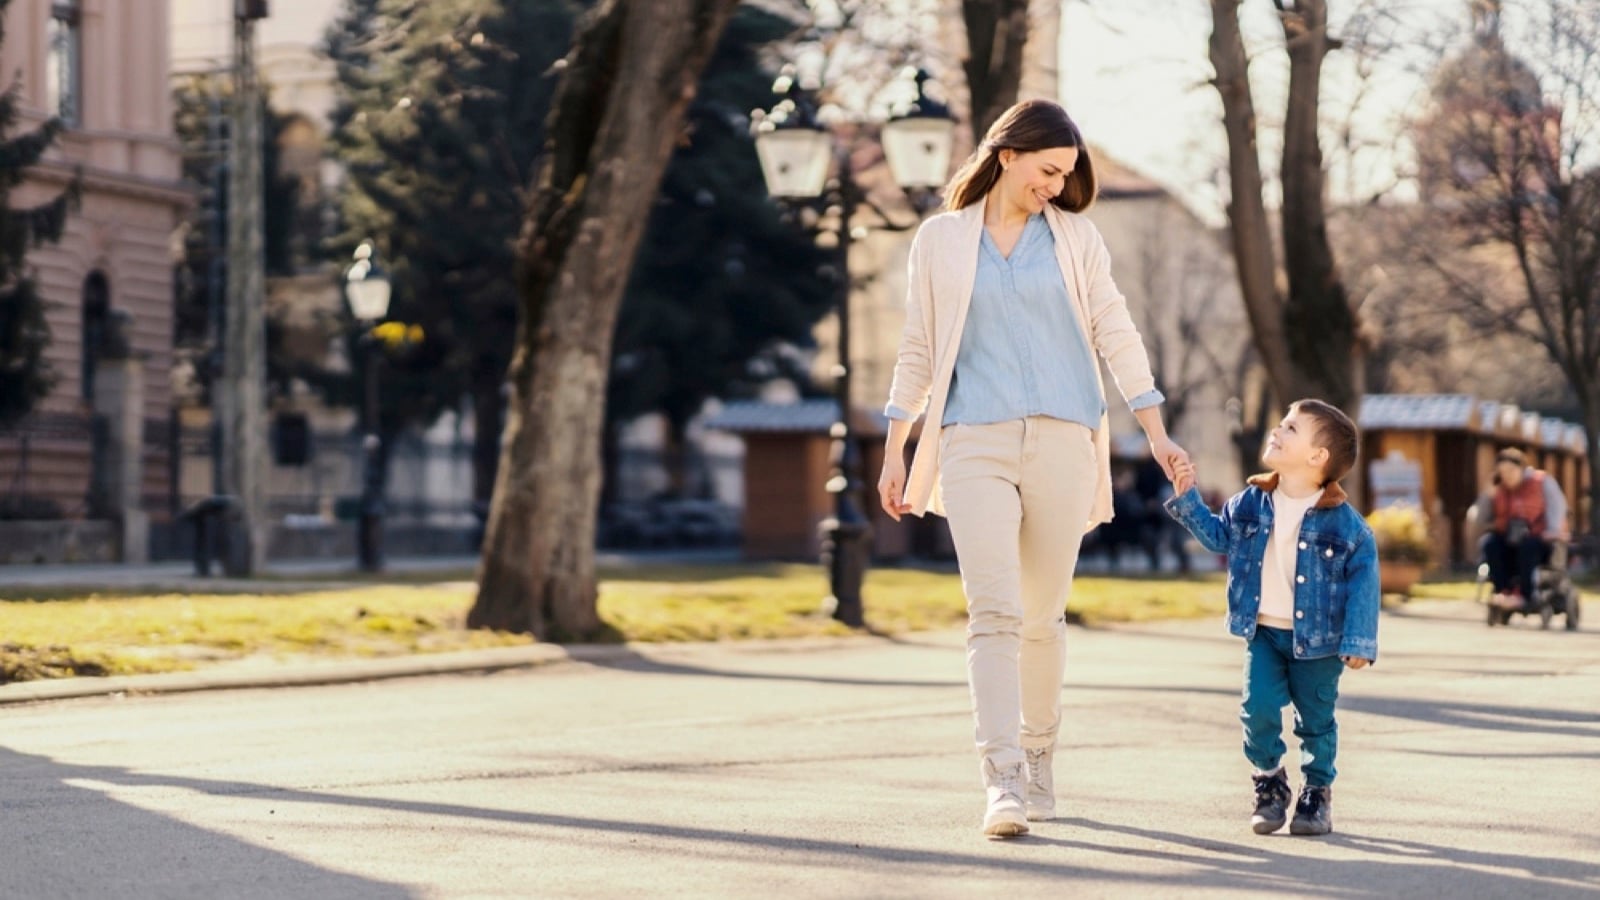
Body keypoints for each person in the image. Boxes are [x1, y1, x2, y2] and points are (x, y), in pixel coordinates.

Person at [875, 98, 1190, 838]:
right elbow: (919, 346)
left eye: (1067, 175)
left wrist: (1156, 430)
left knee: (1043, 618)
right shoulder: (941, 240)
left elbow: (1115, 330)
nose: (1056, 184)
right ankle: (1002, 779)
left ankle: (1041, 753)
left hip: (1062, 440)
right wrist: (896, 446)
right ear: (1007, 153)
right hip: (971, 440)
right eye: (1048, 169)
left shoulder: (1075, 240)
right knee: (993, 613)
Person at [1165, 399, 1378, 836]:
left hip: (1319, 644)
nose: (1276, 431)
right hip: (1263, 632)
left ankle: (1316, 793)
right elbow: (1218, 536)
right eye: (1280, 423)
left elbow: (1364, 584)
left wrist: (1358, 641)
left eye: (1291, 428)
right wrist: (1188, 498)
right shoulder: (1250, 502)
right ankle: (1270, 782)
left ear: (1317, 458)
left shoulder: (1348, 527)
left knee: (1315, 723)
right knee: (1256, 708)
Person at [1476, 448, 1568, 611]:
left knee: (1529, 546)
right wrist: (1487, 495)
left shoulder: (1542, 482)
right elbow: (1479, 519)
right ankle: (1503, 591)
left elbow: (1557, 508)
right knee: (1490, 543)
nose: (1507, 476)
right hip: (1509, 541)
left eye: (1511, 470)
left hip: (1539, 542)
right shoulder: (1498, 490)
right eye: (1502, 472)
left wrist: (1553, 531)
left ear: (1522, 468)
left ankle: (1525, 595)